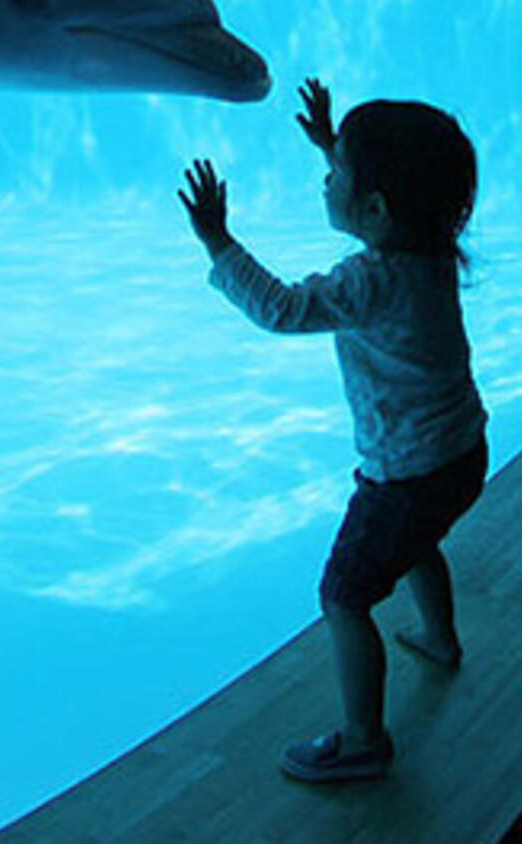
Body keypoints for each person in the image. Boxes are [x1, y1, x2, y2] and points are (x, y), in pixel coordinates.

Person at [179, 78, 487, 783]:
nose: (325, 180)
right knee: (418, 542)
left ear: (375, 206)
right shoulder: (435, 248)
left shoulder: (367, 281)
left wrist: (219, 243)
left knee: (344, 596)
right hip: (460, 455)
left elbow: (283, 310)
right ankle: (439, 640)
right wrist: (331, 140)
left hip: (404, 474)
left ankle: (362, 740)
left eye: (335, 172)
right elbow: (394, 196)